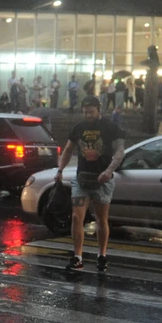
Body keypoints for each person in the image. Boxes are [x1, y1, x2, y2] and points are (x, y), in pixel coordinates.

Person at [55, 96, 126, 273]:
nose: (88, 115)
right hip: (82, 179)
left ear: (98, 110)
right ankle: (77, 257)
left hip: (103, 180)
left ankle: (102, 255)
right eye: (85, 112)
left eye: (91, 112)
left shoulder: (110, 127)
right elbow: (68, 149)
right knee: (77, 217)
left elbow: (120, 152)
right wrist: (60, 170)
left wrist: (108, 171)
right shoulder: (79, 128)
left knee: (101, 219)